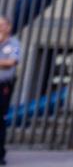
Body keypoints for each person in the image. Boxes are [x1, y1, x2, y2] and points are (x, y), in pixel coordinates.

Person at [0, 16, 20, 165]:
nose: (1, 27)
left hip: (3, 85)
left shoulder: (13, 43)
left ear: (9, 27)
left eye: (3, 25)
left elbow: (11, 62)